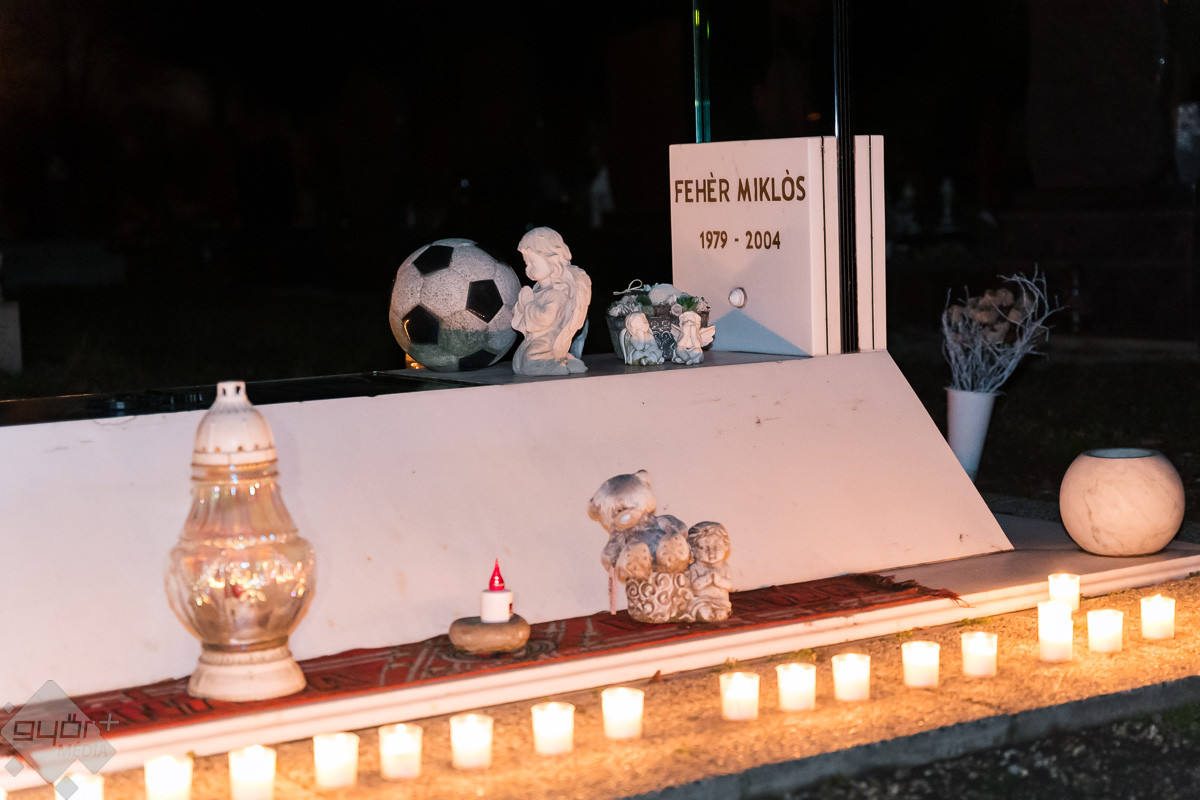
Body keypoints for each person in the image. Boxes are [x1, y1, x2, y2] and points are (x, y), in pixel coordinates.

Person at [511, 227, 591, 375]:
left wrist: (529, 304)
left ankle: (557, 365)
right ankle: (561, 361)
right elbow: (522, 319)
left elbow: (545, 319)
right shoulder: (537, 290)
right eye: (526, 263)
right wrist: (522, 305)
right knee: (517, 363)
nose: (528, 268)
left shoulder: (555, 294)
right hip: (533, 340)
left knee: (528, 364)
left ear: (552, 261)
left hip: (547, 342)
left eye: (533, 263)